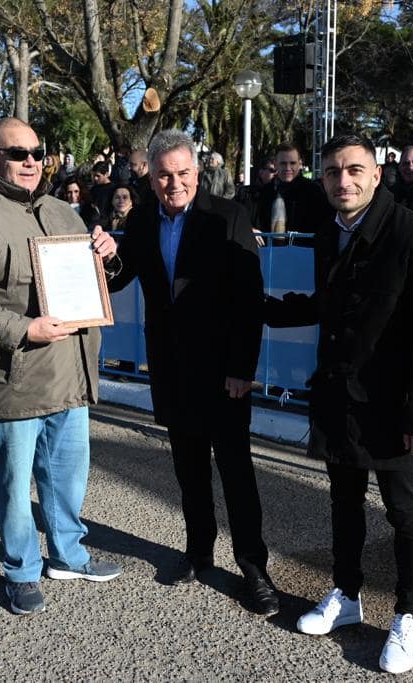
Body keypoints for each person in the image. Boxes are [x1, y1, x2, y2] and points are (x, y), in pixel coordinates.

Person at [264, 133, 413, 674]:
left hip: (394, 405)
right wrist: (268, 310)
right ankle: (346, 595)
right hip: (339, 395)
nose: (341, 181)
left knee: (404, 512)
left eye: (353, 170)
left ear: (376, 174)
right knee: (343, 502)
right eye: (331, 172)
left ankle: (409, 616)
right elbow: (333, 304)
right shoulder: (331, 233)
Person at [0, 117, 122, 616]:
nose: (30, 161)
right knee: (14, 483)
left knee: (66, 473)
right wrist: (21, 329)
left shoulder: (64, 212)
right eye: (17, 153)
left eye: (37, 151)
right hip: (11, 372)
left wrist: (106, 254)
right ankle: (20, 569)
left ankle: (68, 554)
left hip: (69, 370)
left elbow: (94, 282)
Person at [106, 129, 278, 616]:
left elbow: (249, 302)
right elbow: (122, 278)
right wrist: (104, 257)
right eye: (163, 174)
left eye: (182, 173)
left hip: (223, 372)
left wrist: (243, 369)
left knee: (236, 472)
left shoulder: (229, 217)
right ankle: (198, 551)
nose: (173, 183)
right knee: (189, 470)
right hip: (172, 368)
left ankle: (253, 567)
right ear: (152, 178)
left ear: (197, 175)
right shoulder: (141, 220)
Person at [253, 143, 328, 234]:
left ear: (300, 164)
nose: (288, 168)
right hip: (268, 247)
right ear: (276, 164)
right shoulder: (263, 193)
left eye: (292, 163)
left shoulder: (313, 191)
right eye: (283, 163)